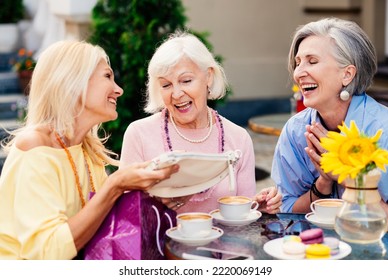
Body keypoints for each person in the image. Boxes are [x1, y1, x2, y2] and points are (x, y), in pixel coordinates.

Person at [0, 40, 179, 260]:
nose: (118, 90)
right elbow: (47, 253)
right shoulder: (36, 147)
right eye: (107, 76)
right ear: (73, 82)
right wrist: (115, 184)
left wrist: (152, 196)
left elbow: (101, 222)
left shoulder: (87, 149)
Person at [120, 31, 281, 214]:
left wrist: (257, 207)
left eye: (186, 80)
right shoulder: (139, 134)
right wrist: (156, 203)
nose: (177, 93)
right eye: (166, 85)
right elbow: (127, 213)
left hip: (224, 243)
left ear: (209, 76)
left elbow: (243, 217)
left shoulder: (238, 138)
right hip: (160, 242)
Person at [273, 17, 388, 222]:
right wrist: (323, 183)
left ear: (347, 75)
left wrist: (344, 176)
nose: (298, 73)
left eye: (312, 61)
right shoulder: (295, 130)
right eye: (298, 62)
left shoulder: (384, 130)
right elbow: (287, 209)